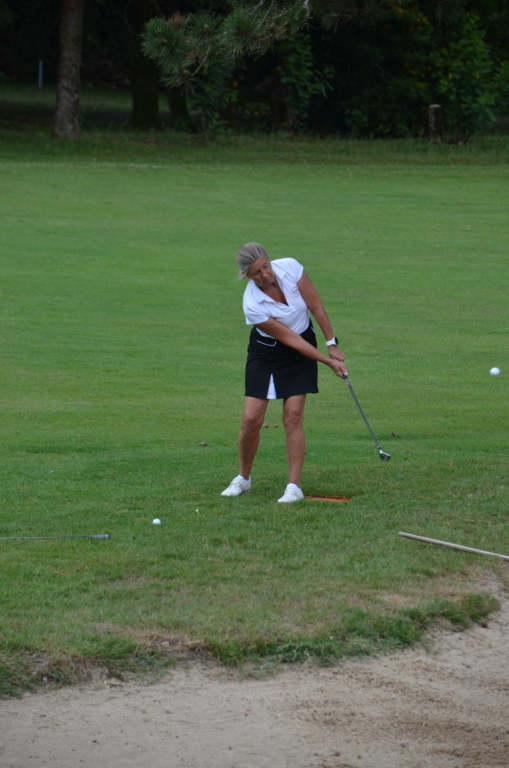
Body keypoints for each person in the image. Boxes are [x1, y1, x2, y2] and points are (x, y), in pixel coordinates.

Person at [221, 242, 347, 503]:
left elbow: (316, 306)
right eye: (256, 273)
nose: (265, 275)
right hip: (267, 354)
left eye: (265, 267)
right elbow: (290, 339)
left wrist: (331, 344)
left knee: (292, 417)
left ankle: (294, 487)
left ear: (270, 260)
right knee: (250, 420)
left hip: (301, 350)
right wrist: (327, 362)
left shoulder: (290, 267)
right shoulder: (252, 303)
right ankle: (243, 478)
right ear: (246, 275)